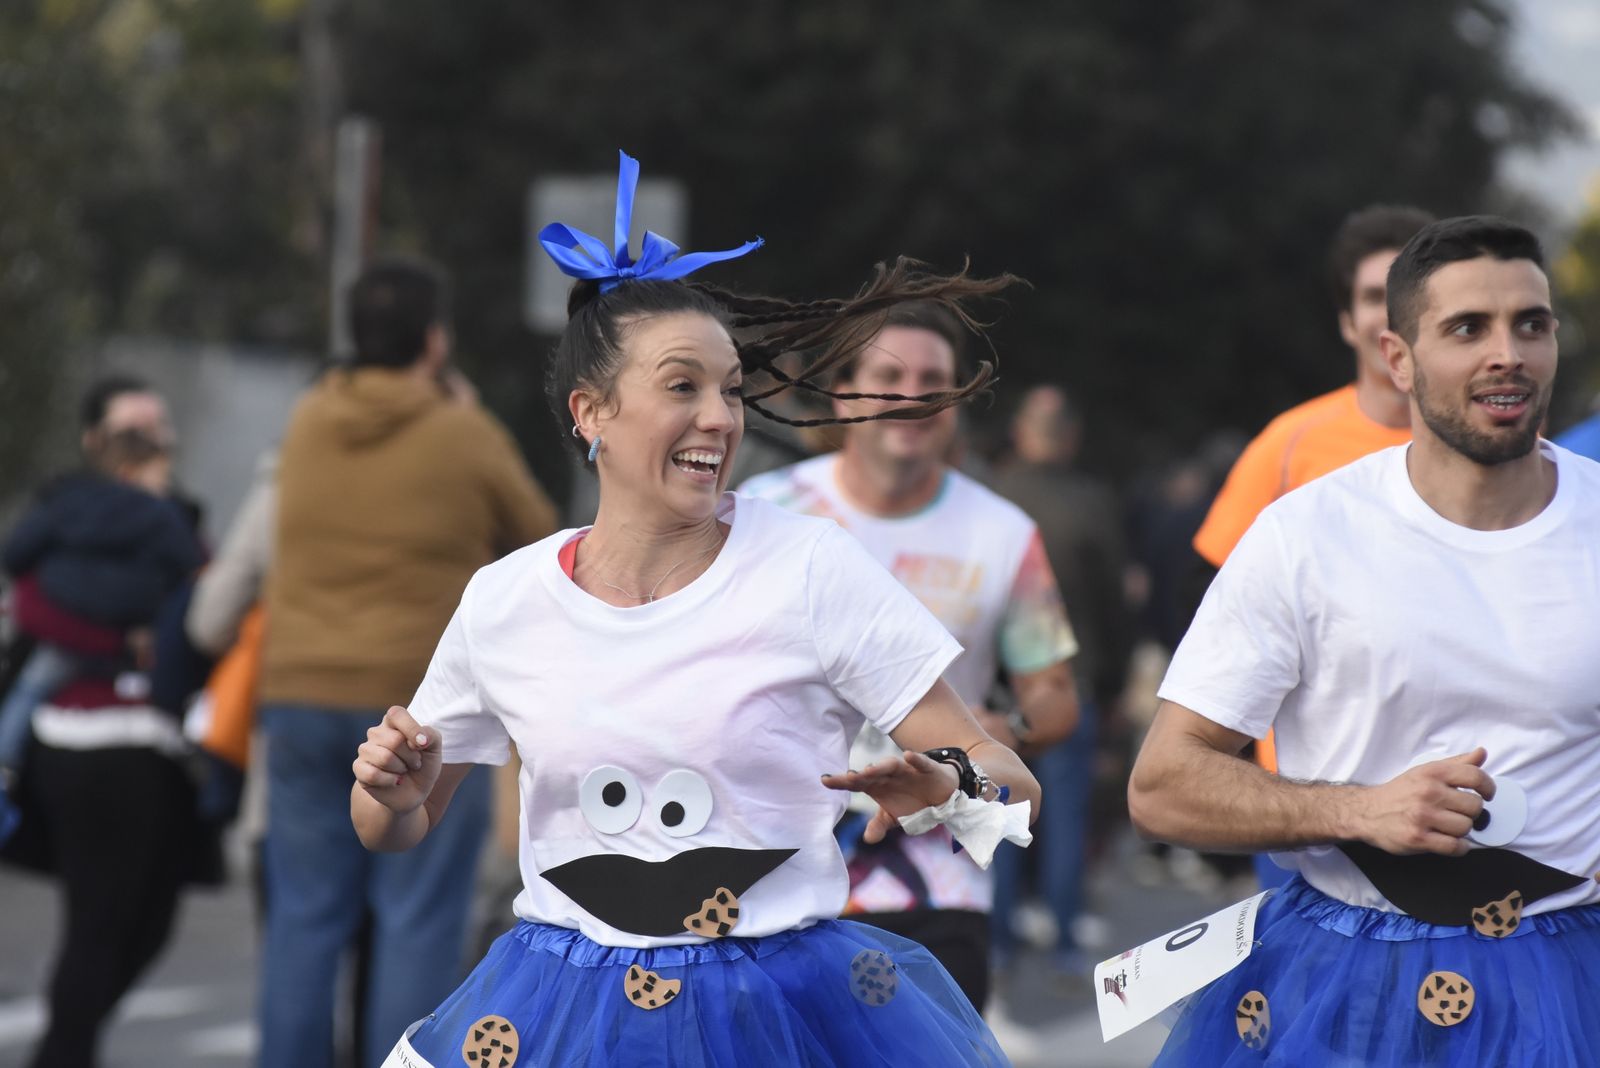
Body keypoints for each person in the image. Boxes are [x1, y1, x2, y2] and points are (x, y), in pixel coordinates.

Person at [357, 151, 1037, 1067]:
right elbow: (395, 827)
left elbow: (1011, 778)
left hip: (777, 1014)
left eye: (731, 389)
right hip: (560, 1014)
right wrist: (387, 793)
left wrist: (953, 783)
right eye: (683, 386)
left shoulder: (811, 567)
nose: (720, 417)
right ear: (591, 413)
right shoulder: (507, 598)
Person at [1128, 215, 1600, 1065]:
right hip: (1348, 978)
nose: (1509, 354)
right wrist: (1358, 809)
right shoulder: (1305, 535)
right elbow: (1162, 787)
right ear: (1398, 358)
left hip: (1572, 974)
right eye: (1468, 328)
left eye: (1531, 324)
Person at [257, 258, 559, 1067]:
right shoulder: (461, 430)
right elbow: (541, 537)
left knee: (302, 917)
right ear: (434, 341)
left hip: (300, 691)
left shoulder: (309, 418)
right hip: (414, 707)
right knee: (417, 918)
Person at [741, 311, 1079, 1010]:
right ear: (841, 395)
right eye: (889, 377)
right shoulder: (766, 513)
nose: (912, 396)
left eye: (933, 381)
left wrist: (1004, 730)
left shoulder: (1004, 534)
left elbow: (1055, 692)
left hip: (939, 879)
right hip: (774, 869)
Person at [1189, 205, 1433, 888]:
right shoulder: (1288, 445)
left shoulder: (1498, 454)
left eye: (1411, 295)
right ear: (1347, 321)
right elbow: (1211, 610)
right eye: (1374, 297)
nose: (1392, 315)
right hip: (1305, 805)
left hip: (1464, 796)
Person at [0, 377, 207, 1068]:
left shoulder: (171, 518)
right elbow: (30, 602)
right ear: (97, 442)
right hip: (98, 741)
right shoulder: (106, 515)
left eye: (159, 426)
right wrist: (127, 641)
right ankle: (63, 1052)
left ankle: (63, 1047)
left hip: (146, 744)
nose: (152, 440)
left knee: (141, 922)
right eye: (134, 429)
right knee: (101, 923)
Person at [988, 384, 1130, 979]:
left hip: (995, 690)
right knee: (1066, 814)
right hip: (1073, 683)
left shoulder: (991, 497)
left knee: (997, 810)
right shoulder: (1091, 503)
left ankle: (999, 936)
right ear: (1071, 437)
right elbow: (1114, 604)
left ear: (1020, 432)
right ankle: (1066, 934)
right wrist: (1115, 683)